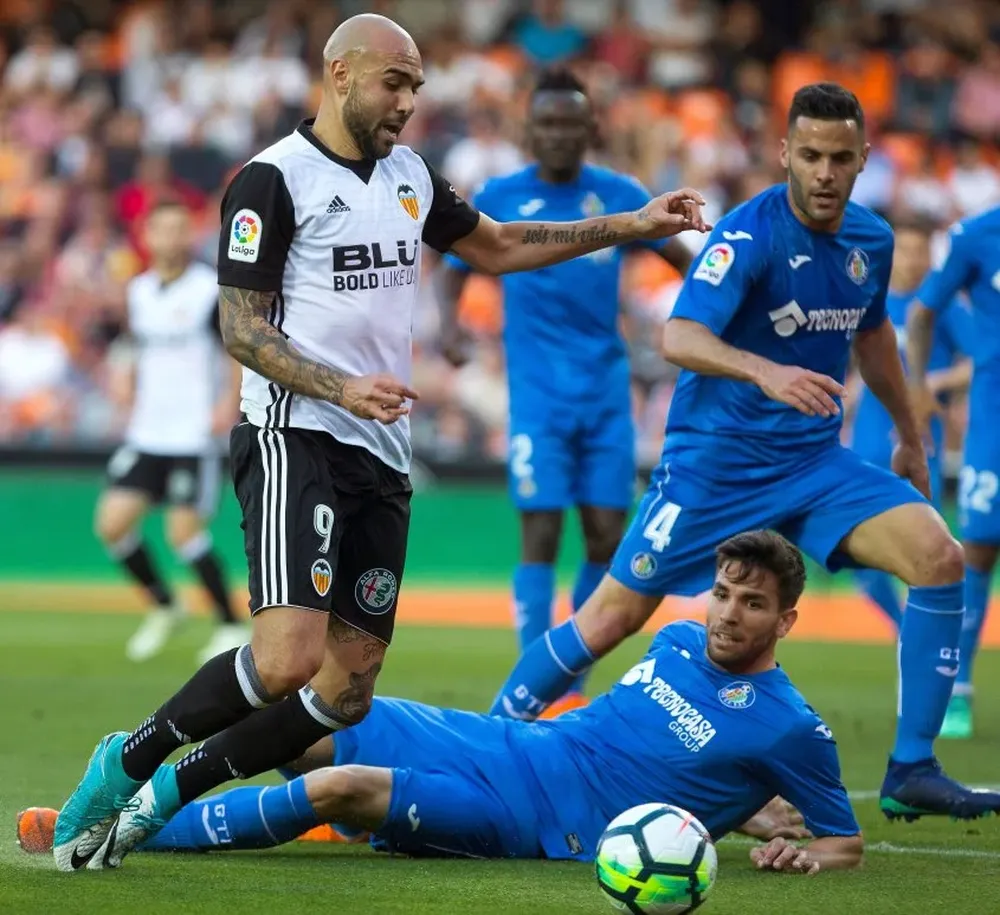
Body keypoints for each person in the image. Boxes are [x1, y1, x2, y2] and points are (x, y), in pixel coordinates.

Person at [52, 13, 709, 873]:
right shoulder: (270, 180)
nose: (408, 101)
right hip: (296, 432)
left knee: (346, 689)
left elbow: (500, 244)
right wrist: (339, 384)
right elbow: (241, 329)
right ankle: (129, 759)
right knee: (288, 657)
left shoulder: (409, 176)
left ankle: (171, 792)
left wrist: (631, 225)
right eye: (394, 82)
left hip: (380, 453)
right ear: (339, 74)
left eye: (416, 86)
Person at [489, 81, 1000, 822]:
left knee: (940, 555)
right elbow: (679, 336)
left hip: (814, 464)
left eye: (841, 158)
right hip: (715, 466)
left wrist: (911, 437)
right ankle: (495, 742)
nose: (825, 173)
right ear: (786, 153)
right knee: (611, 617)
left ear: (862, 162)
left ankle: (912, 764)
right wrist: (766, 370)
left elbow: (874, 336)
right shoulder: (747, 235)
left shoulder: (871, 241)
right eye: (812, 155)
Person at [28, 532, 863, 875]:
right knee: (321, 720)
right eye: (722, 593)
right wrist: (742, 810)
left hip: (551, 823)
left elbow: (844, 840)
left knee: (339, 786)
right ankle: (132, 793)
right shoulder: (676, 640)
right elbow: (672, 755)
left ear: (785, 617)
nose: (727, 613)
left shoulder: (791, 725)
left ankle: (131, 832)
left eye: (751, 604)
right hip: (522, 745)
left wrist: (802, 852)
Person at [436, 66, 693, 707]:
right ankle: (536, 679)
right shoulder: (499, 194)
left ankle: (569, 672)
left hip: (605, 393)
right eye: (546, 123)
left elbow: (683, 259)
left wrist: (721, 295)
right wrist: (450, 328)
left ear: (590, 129)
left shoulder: (617, 194)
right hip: (537, 397)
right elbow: (451, 265)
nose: (557, 134)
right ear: (529, 130)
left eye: (569, 124)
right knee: (541, 532)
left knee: (607, 536)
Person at [96, 199, 247, 665]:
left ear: (190, 236)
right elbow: (131, 345)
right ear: (147, 236)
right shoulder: (140, 291)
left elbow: (235, 348)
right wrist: (122, 377)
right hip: (148, 431)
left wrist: (230, 401)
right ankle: (165, 605)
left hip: (192, 432)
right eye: (162, 229)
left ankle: (229, 622)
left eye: (180, 229)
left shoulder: (207, 290)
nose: (171, 238)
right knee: (112, 524)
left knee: (183, 532)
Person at [847, 216, 973, 629]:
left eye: (922, 250)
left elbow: (979, 360)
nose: (913, 259)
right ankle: (904, 629)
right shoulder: (867, 300)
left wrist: (932, 382)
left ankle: (928, 638)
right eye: (906, 249)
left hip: (921, 447)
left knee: (925, 552)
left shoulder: (938, 306)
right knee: (859, 556)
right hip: (867, 447)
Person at [907, 203, 1000, 739]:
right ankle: (958, 685)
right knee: (981, 544)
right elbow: (923, 312)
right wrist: (918, 387)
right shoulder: (977, 236)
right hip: (994, 421)